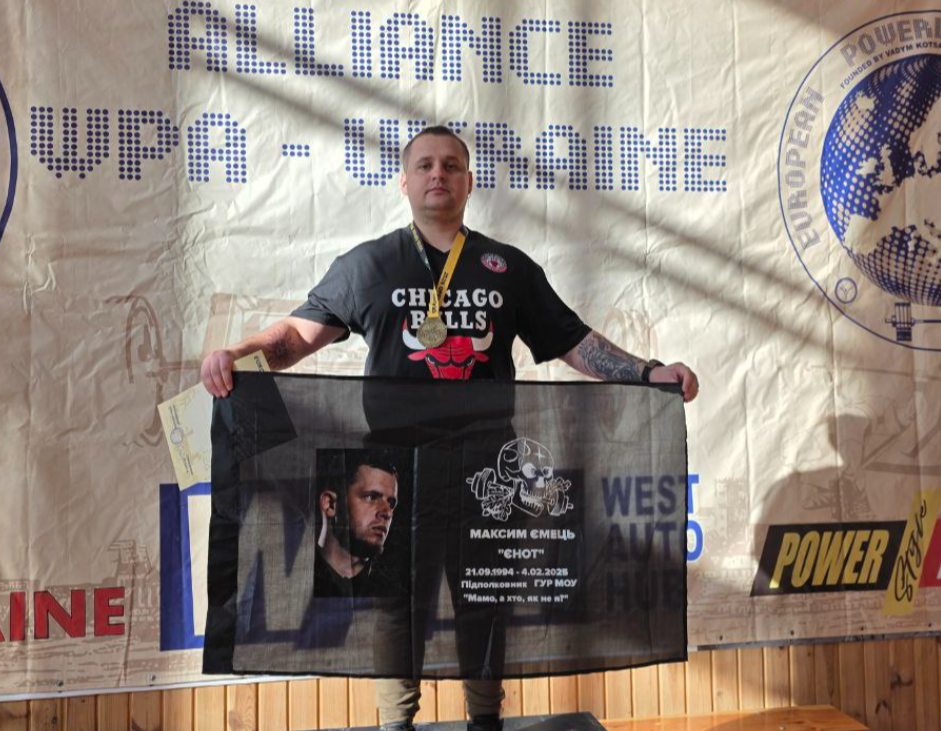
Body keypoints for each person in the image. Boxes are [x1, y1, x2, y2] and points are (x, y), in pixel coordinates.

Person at [202, 125, 699, 731]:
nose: (438, 174)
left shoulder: (507, 268)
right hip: (394, 469)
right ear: (405, 182)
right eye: (425, 165)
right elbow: (297, 336)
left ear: (468, 182)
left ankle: (485, 723)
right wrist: (238, 354)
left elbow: (573, 341)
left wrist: (647, 372)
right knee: (396, 606)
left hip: (487, 469)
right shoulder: (369, 264)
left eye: (451, 165)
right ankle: (395, 726)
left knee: (484, 599)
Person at [314, 449, 402, 598]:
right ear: (330, 505)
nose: (387, 513)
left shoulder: (393, 593)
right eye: (371, 497)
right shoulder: (297, 578)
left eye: (391, 503)